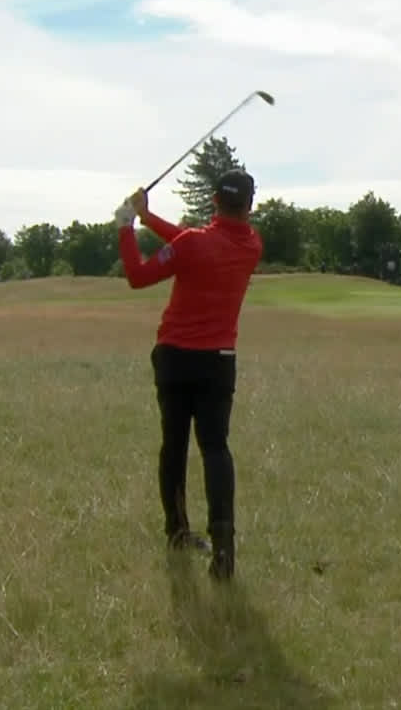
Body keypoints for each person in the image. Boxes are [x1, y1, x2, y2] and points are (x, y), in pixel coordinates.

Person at [116, 168, 263, 580]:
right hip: (219, 361)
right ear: (248, 206)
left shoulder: (194, 243)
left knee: (175, 446)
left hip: (176, 358)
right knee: (216, 449)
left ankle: (178, 531)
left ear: (214, 200)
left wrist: (127, 226)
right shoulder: (252, 244)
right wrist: (147, 217)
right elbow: (190, 243)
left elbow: (138, 275)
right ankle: (223, 549)